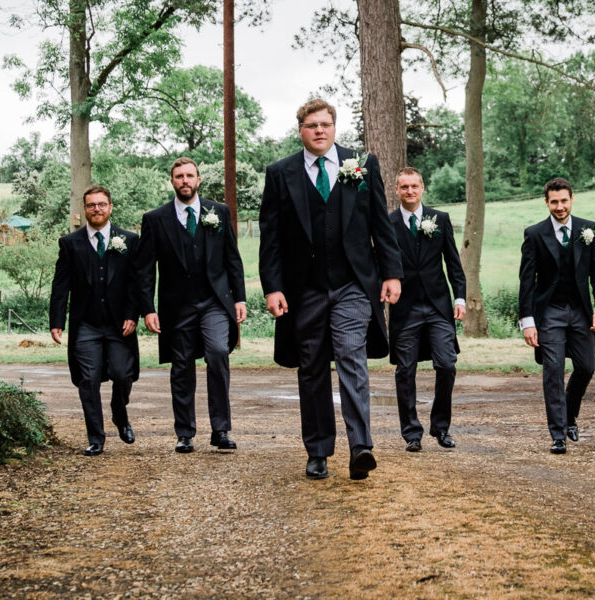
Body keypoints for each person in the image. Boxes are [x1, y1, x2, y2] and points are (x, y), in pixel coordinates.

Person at [259, 99, 403, 480]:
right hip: (304, 289)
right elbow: (270, 239)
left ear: (334, 127)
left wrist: (392, 274)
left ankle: (361, 447)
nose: (319, 130)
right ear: (301, 130)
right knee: (312, 368)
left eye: (325, 124)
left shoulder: (362, 164)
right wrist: (272, 287)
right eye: (311, 125)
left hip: (353, 284)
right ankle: (319, 450)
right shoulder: (280, 173)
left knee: (351, 358)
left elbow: (380, 225)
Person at [134, 157, 248, 454]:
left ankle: (221, 430)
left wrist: (239, 298)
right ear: (172, 181)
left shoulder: (219, 212)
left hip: (214, 301)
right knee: (181, 367)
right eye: (179, 176)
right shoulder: (155, 219)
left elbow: (232, 259)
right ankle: (184, 432)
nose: (185, 180)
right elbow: (145, 269)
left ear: (198, 180)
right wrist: (148, 308)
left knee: (218, 353)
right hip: (176, 305)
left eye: (189, 175)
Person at [49, 185, 141, 456]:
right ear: (85, 209)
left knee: (123, 375)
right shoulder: (70, 243)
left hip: (118, 324)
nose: (97, 209)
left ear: (111, 207)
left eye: (102, 204)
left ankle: (119, 413)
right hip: (86, 324)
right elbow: (60, 285)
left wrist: (132, 314)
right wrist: (57, 321)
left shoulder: (129, 240)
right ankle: (96, 438)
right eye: (91, 205)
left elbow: (138, 283)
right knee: (88, 380)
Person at [518, 177, 595, 453]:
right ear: (546, 202)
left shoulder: (587, 229)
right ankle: (558, 434)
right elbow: (526, 282)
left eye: (564, 201)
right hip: (550, 313)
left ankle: (569, 416)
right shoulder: (534, 234)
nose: (559, 207)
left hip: (580, 310)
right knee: (553, 370)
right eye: (554, 202)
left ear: (572, 199)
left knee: (586, 367)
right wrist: (528, 322)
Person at [388, 167, 466, 451]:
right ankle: (411, 433)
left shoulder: (440, 220)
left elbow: (454, 264)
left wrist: (460, 298)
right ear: (396, 190)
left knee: (446, 364)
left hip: (438, 307)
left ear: (423, 188)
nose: (409, 191)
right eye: (404, 187)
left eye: (414, 186)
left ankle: (441, 427)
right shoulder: (388, 222)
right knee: (405, 370)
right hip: (404, 308)